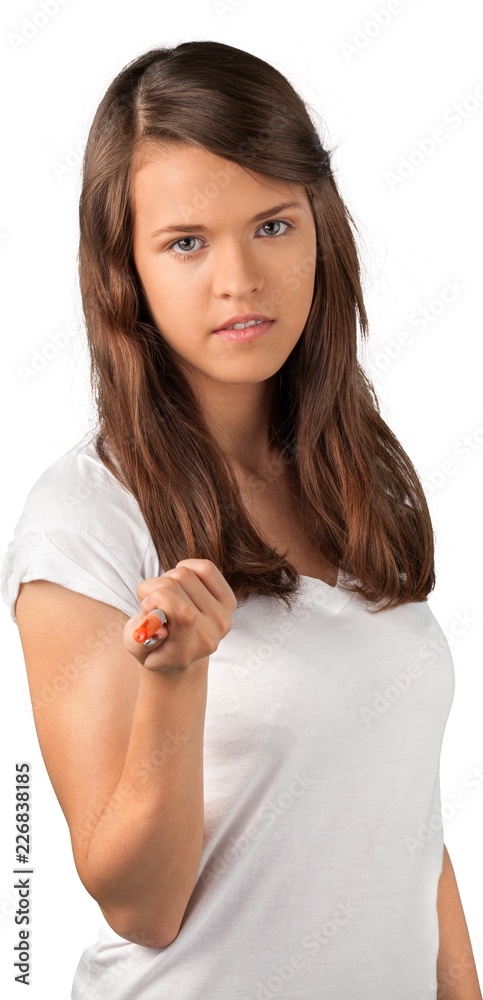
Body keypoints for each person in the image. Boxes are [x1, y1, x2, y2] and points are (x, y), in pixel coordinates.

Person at [2, 39, 481, 1000]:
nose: (240, 279)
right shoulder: (84, 522)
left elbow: (402, 815)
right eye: (186, 242)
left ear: (320, 228)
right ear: (123, 269)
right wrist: (175, 678)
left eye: (272, 225)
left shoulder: (357, 477)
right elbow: (139, 906)